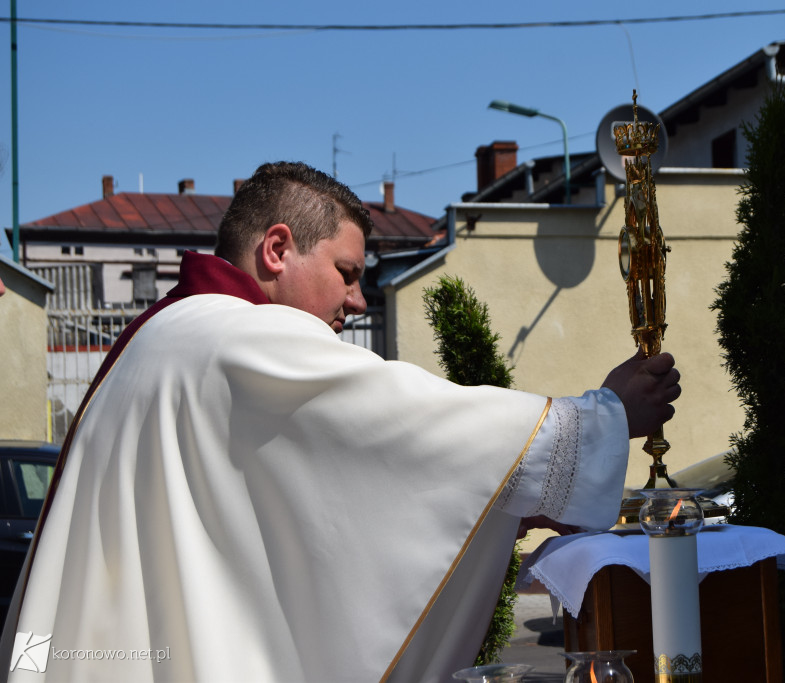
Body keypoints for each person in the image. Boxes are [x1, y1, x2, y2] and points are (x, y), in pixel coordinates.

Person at [0, 162, 681, 683]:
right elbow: (413, 425)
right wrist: (599, 420)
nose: (357, 299)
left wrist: (504, 507)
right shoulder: (242, 339)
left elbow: (313, 511)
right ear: (276, 249)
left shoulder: (160, 339)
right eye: (347, 272)